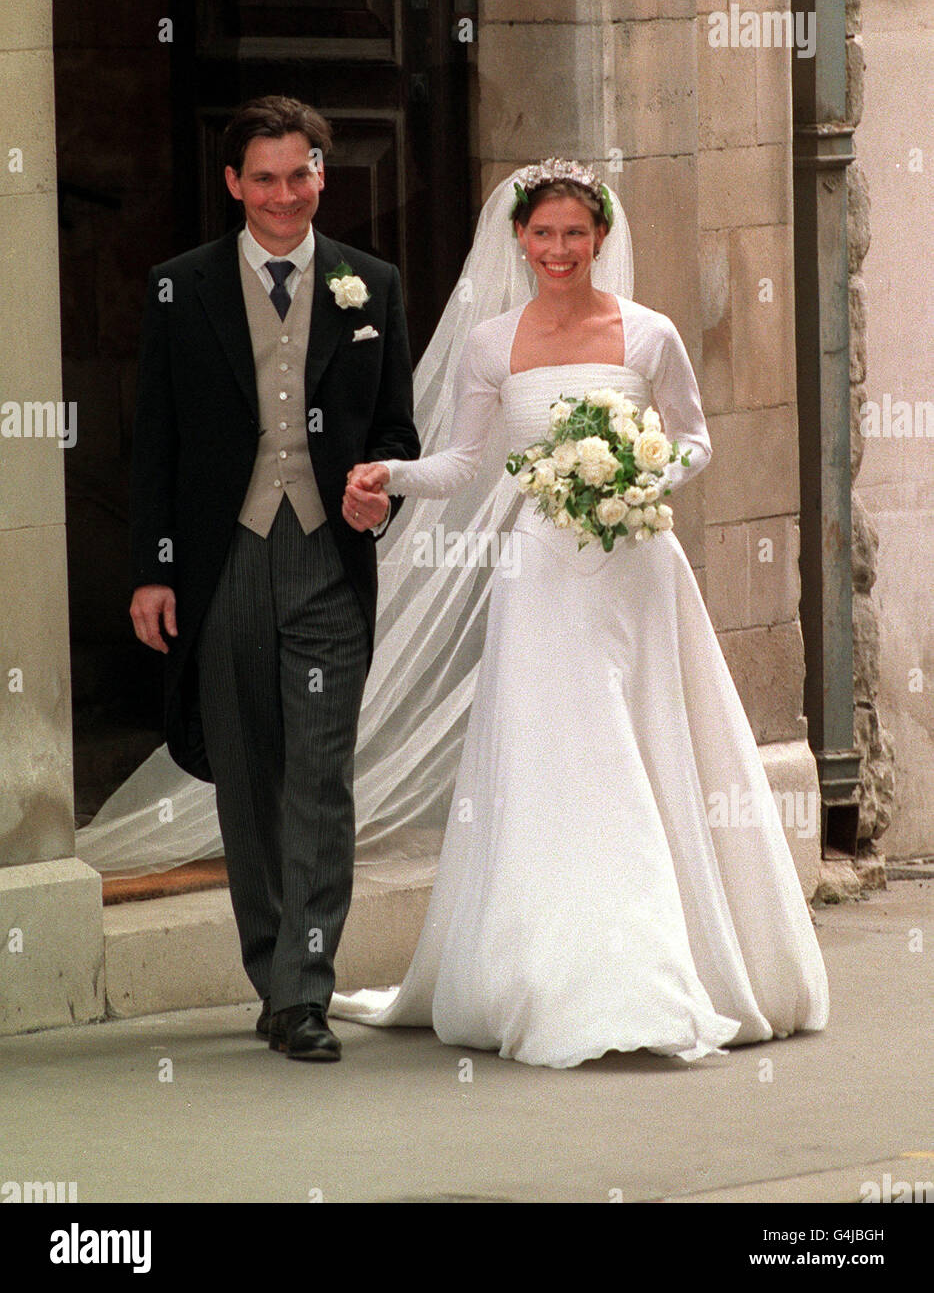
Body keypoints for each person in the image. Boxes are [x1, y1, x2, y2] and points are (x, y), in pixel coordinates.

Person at [331, 158, 830, 1068]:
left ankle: (662, 973)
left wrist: (639, 474)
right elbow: (460, 465)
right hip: (538, 579)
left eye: (574, 233)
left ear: (601, 237)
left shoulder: (649, 336)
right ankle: (555, 973)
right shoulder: (490, 343)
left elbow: (693, 438)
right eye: (542, 234)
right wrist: (390, 475)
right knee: (555, 755)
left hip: (635, 568)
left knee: (643, 744)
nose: (558, 250)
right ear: (519, 240)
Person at [128, 95, 420, 1062]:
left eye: (301, 174)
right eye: (264, 177)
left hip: (327, 561)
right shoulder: (180, 288)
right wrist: (152, 572)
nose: (284, 194)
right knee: (248, 778)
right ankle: (270, 971)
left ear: (323, 176)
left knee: (320, 779)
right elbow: (153, 445)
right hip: (223, 564)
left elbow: (395, 434)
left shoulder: (371, 284)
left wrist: (385, 488)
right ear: (233, 184)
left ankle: (304, 989)